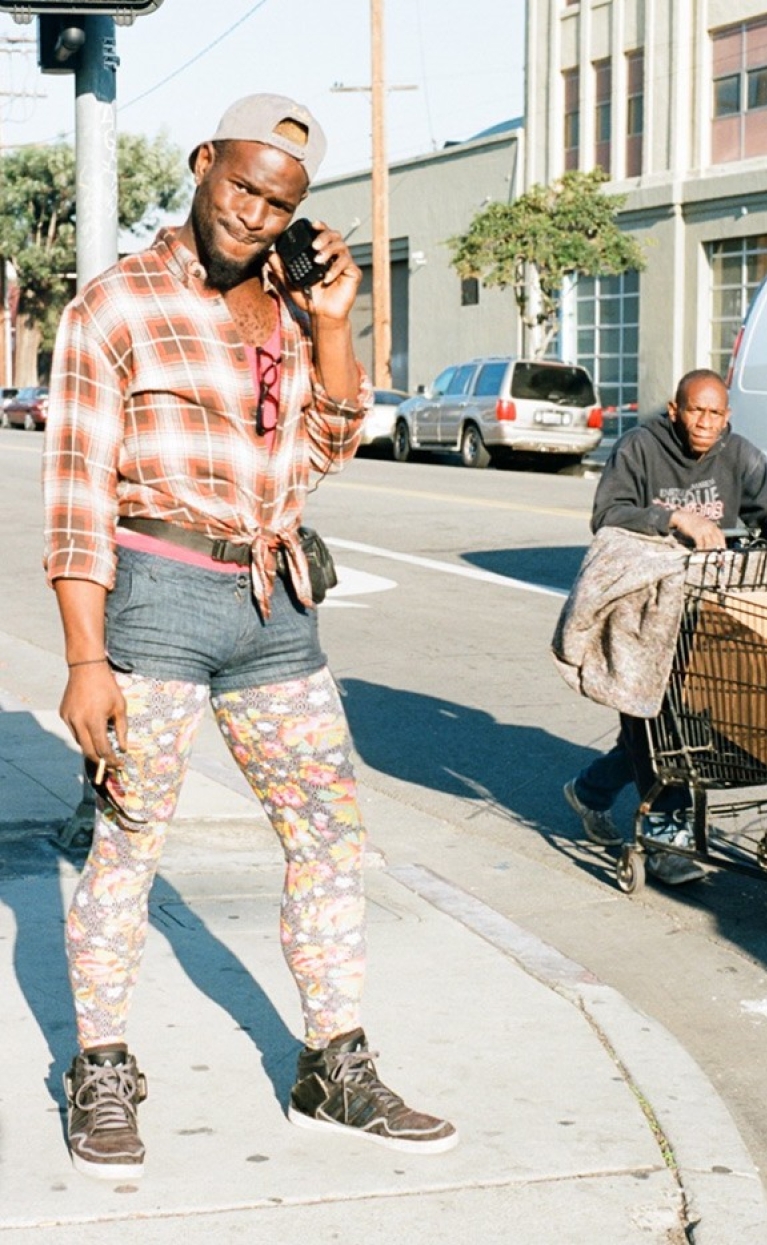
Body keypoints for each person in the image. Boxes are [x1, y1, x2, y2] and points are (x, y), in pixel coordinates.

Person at [43, 93, 457, 1181]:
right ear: (203, 161)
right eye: (241, 186)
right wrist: (86, 658)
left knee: (329, 834)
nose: (254, 214)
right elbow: (77, 494)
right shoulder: (115, 304)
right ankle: (101, 1067)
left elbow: (332, 443)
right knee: (130, 846)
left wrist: (331, 323)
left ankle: (333, 1063)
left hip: (276, 607)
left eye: (279, 203)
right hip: (158, 601)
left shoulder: (288, 302)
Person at [563, 367, 767, 884]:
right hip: (643, 603)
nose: (705, 422)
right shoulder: (640, 447)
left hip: (704, 601)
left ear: (727, 417)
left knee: (677, 721)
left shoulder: (738, 453)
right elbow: (608, 512)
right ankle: (666, 836)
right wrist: (676, 520)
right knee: (653, 719)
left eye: (715, 413)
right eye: (695, 410)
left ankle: (591, 791)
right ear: (675, 410)